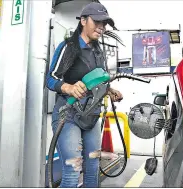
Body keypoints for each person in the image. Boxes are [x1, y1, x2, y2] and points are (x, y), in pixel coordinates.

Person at [46, 2, 123, 188]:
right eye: (97, 22)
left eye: (104, 24)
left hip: (91, 117)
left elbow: (98, 82)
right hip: (68, 116)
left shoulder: (99, 51)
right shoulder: (68, 47)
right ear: (83, 21)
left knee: (93, 167)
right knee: (73, 170)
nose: (101, 27)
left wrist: (109, 90)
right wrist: (69, 88)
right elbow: (50, 79)